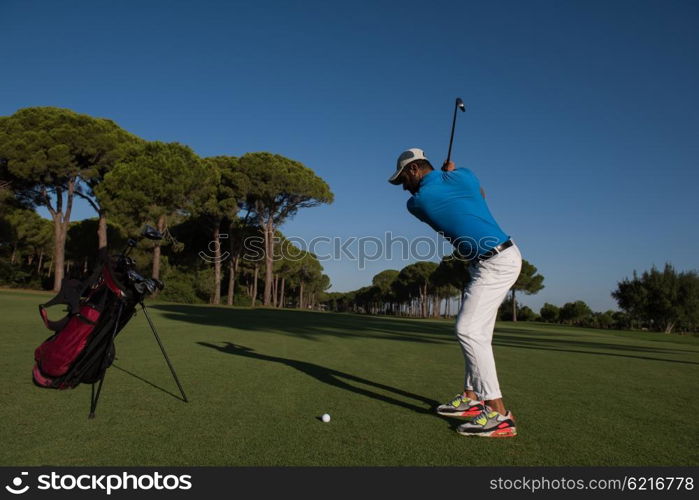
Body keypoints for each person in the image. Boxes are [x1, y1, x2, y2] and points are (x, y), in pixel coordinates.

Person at [388, 148, 522, 438]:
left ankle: (498, 413)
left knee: (468, 330)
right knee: (479, 334)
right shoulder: (465, 176)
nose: (403, 188)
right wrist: (453, 173)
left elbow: (441, 193)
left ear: (413, 171)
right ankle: (472, 398)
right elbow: (480, 193)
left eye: (403, 180)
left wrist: (445, 176)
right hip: (490, 261)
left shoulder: (419, 202)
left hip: (496, 262)